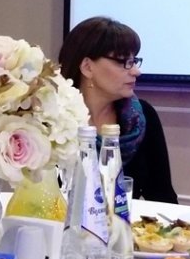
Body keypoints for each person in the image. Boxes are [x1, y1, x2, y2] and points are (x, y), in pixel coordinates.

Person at [59, 16, 178, 203]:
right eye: (123, 62)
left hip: (126, 221)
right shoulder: (52, 120)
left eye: (134, 60)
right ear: (87, 67)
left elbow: (163, 198)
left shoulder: (142, 117)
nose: (136, 71)